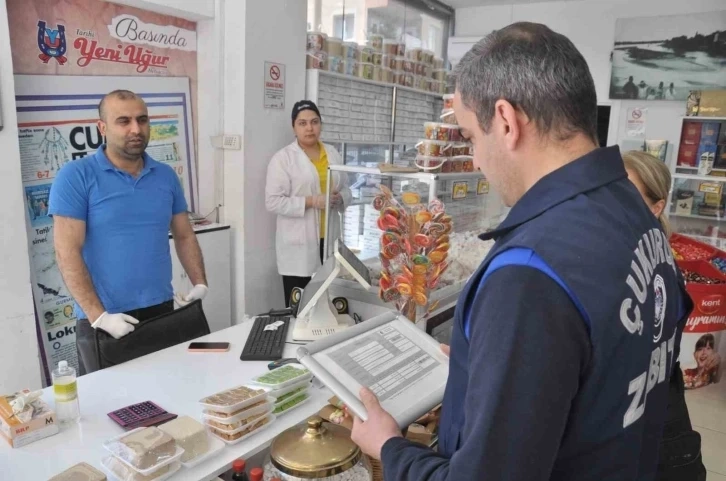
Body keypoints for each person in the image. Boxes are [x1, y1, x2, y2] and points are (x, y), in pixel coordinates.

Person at [349, 22, 692, 481]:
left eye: (470, 137)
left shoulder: (529, 273)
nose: (473, 161)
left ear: (507, 122)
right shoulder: (630, 208)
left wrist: (390, 447)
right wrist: (494, 360)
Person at [49, 90, 208, 375]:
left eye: (142, 119)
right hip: (106, 320)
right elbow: (66, 250)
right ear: (103, 128)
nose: (136, 129)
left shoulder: (165, 175)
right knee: (111, 411)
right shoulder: (76, 176)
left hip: (161, 312)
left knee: (169, 399)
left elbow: (184, 235)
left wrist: (200, 282)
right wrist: (99, 318)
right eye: (123, 121)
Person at [623, 150, 707, 481]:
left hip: (659, 439)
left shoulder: (651, 264)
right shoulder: (646, 250)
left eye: (627, 193)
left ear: (656, 207)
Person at [265, 100, 350, 306]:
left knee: (329, 302)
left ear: (321, 124)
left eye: (314, 122)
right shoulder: (283, 159)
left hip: (329, 239)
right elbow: (273, 202)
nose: (309, 128)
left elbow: (347, 187)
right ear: (294, 127)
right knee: (300, 306)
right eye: (302, 123)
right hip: (299, 244)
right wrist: (312, 201)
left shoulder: (332, 153)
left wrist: (341, 198)